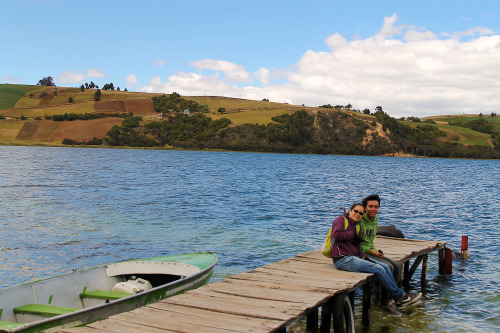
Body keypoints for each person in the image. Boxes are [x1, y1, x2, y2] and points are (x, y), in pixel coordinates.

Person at [330, 203, 421, 316]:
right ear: (350, 211)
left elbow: (358, 246)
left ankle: (394, 298)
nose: (358, 214)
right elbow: (337, 235)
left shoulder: (357, 226)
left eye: (361, 213)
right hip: (342, 260)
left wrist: (364, 257)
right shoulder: (341, 220)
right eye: (356, 211)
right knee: (378, 269)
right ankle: (400, 296)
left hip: (354, 257)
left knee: (386, 266)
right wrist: (352, 234)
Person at [359, 194, 403, 311]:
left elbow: (370, 240)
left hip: (370, 250)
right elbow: (356, 245)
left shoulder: (375, 220)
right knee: (388, 267)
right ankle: (385, 302)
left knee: (397, 265)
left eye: (376, 207)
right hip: (362, 252)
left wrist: (376, 250)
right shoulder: (360, 221)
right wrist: (370, 250)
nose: (373, 209)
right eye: (370, 206)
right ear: (365, 207)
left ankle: (391, 298)